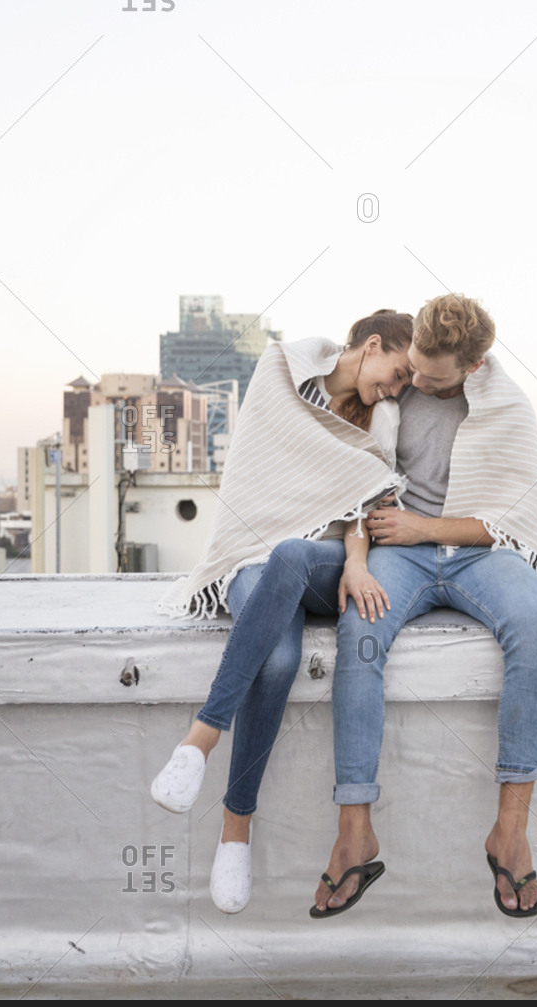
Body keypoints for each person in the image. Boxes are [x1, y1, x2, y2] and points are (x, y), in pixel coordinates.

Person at [311, 294, 537, 920]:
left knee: (533, 623)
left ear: (473, 367)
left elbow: (513, 522)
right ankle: (355, 832)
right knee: (360, 630)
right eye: (414, 368)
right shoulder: (396, 389)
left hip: (480, 553)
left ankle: (510, 831)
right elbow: (358, 483)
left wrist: (423, 527)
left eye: (432, 377)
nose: (414, 383)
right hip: (402, 554)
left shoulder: (507, 408)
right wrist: (372, 546)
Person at [154, 310, 414, 914]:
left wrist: (356, 561)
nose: (396, 389)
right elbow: (255, 479)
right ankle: (235, 830)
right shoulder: (280, 373)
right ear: (372, 346)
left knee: (293, 553)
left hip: (326, 565)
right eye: (398, 373)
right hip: (251, 553)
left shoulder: (383, 417)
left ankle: (199, 739)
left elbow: (371, 500)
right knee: (277, 660)